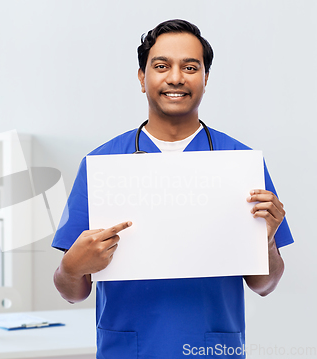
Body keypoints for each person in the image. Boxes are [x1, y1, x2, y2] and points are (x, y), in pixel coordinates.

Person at [52, 19, 293, 359]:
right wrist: (72, 268)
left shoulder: (240, 163)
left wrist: (266, 239)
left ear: (205, 79)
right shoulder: (101, 163)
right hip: (129, 349)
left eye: (190, 67)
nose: (176, 77)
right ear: (142, 78)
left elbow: (264, 286)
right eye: (161, 66)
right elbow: (72, 292)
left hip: (212, 350)